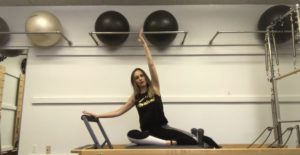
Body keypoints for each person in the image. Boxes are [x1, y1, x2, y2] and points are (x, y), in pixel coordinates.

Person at [82, 28, 221, 148]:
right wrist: (98, 115)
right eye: (136, 78)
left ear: (145, 77)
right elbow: (119, 111)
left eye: (141, 75)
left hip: (163, 129)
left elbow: (151, 66)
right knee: (131, 135)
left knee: (195, 140)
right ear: (134, 82)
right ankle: (169, 143)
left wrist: (145, 46)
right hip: (149, 133)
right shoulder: (135, 97)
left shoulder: (154, 88)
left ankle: (210, 145)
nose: (140, 78)